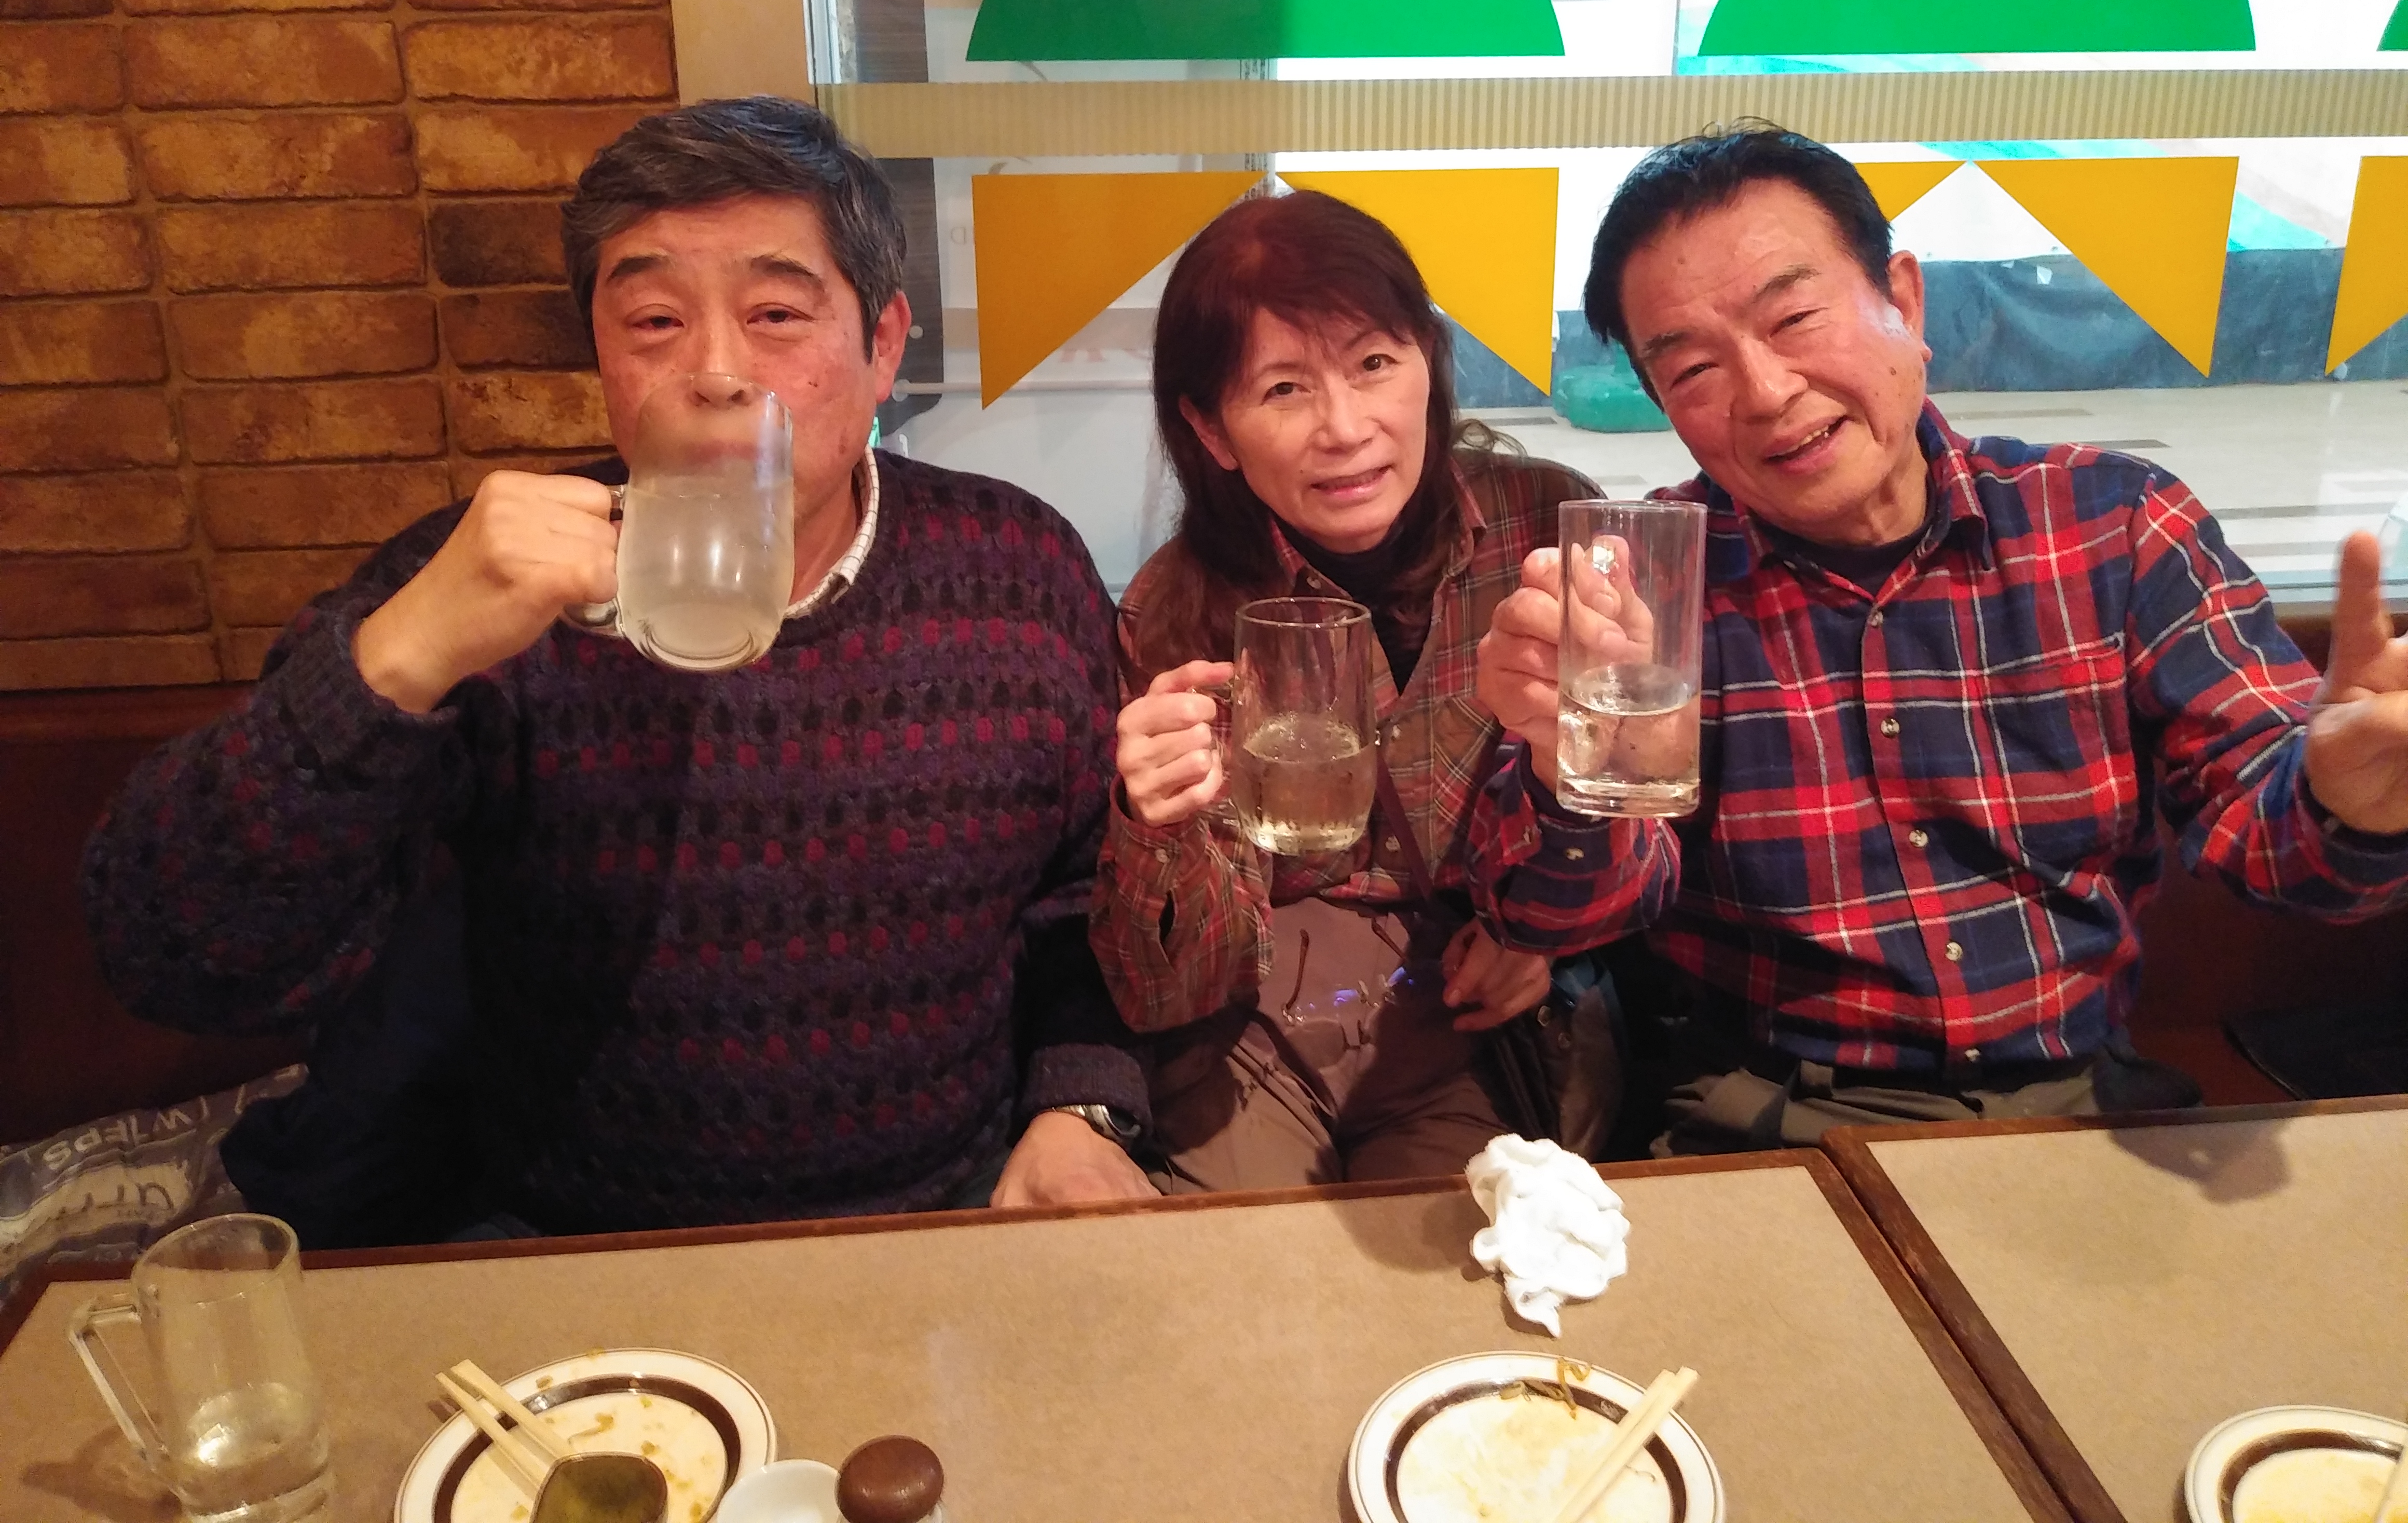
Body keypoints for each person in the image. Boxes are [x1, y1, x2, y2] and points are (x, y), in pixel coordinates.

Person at [83, 97, 1155, 1231]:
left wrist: (1078, 1107)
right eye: (653, 320)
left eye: (776, 314)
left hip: (946, 1211)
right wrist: (398, 657)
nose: (715, 372)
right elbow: (174, 955)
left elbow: (1087, 895)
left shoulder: (1016, 565)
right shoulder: (486, 590)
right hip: (576, 1238)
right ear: (600, 352)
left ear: (882, 345)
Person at [1475, 121, 2408, 1152]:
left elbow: (2275, 843)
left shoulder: (2115, 525)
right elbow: (1560, 919)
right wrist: (1570, 778)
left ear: (1905, 302)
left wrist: (2348, 809)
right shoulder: (1650, 597)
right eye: (1693, 368)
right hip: (1760, 1115)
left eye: (1794, 318)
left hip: (2081, 1107)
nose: (1766, 392)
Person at [1091, 188, 1646, 1190]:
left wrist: (1540, 933)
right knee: (1238, 1259)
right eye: (1283, 389)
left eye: (1374, 364)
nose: (1344, 428)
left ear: (1427, 363)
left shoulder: (1548, 531)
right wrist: (1157, 830)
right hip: (1258, 1017)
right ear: (1213, 431)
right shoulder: (1176, 610)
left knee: (1457, 1247)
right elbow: (1178, 991)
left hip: (1467, 1003)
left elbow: (1640, 855)